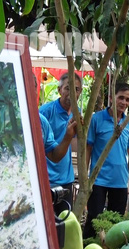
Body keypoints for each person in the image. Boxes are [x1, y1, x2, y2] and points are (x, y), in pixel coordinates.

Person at [83, 83, 129, 239]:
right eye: (121, 97)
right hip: (98, 180)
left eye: (128, 100)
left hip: (120, 180)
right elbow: (88, 149)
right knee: (94, 221)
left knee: (116, 224)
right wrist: (86, 178)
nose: (124, 103)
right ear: (111, 97)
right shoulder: (97, 119)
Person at [39, 73, 83, 214]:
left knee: (64, 222)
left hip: (66, 179)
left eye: (76, 89)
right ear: (59, 90)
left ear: (80, 92)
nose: (72, 93)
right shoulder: (45, 112)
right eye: (67, 89)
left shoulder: (77, 113)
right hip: (47, 179)